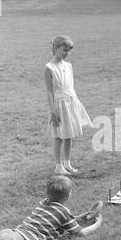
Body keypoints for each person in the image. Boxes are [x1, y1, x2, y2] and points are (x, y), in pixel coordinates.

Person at [0, 176, 103, 240]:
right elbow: (81, 233)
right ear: (69, 195)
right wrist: (97, 224)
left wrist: (77, 218)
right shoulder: (63, 213)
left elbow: (53, 219)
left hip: (10, 233)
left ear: (48, 193)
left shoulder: (44, 202)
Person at [45, 35, 94, 175]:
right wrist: (53, 111)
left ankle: (67, 163)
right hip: (59, 105)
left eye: (68, 51)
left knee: (69, 134)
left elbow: (70, 86)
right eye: (64, 50)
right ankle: (58, 166)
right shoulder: (49, 68)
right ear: (56, 48)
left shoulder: (68, 66)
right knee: (59, 136)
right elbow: (49, 91)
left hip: (71, 102)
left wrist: (75, 104)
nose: (67, 53)